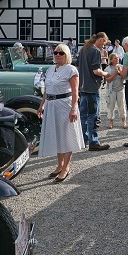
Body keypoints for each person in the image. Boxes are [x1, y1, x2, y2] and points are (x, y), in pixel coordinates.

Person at [36, 44, 84, 183]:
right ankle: (60, 164)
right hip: (51, 105)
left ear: (67, 54)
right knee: (56, 135)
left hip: (64, 104)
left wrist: (74, 108)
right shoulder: (50, 69)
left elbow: (75, 91)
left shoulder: (71, 70)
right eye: (56, 52)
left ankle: (66, 167)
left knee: (66, 134)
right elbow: (47, 89)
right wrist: (41, 105)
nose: (57, 55)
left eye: (61, 53)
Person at [77, 32, 110, 151]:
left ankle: (83, 140)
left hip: (82, 87)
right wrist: (106, 73)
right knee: (93, 116)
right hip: (92, 87)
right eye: (104, 42)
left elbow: (77, 68)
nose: (104, 45)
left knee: (83, 116)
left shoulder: (83, 49)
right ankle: (93, 142)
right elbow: (96, 70)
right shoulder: (95, 51)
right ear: (100, 39)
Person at [104, 52, 127, 129]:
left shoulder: (121, 66)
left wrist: (120, 72)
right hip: (111, 90)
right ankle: (111, 120)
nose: (117, 59)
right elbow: (108, 80)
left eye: (117, 58)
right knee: (111, 106)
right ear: (111, 60)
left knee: (122, 105)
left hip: (120, 88)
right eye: (115, 58)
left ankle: (123, 120)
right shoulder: (107, 69)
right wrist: (115, 73)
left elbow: (124, 77)